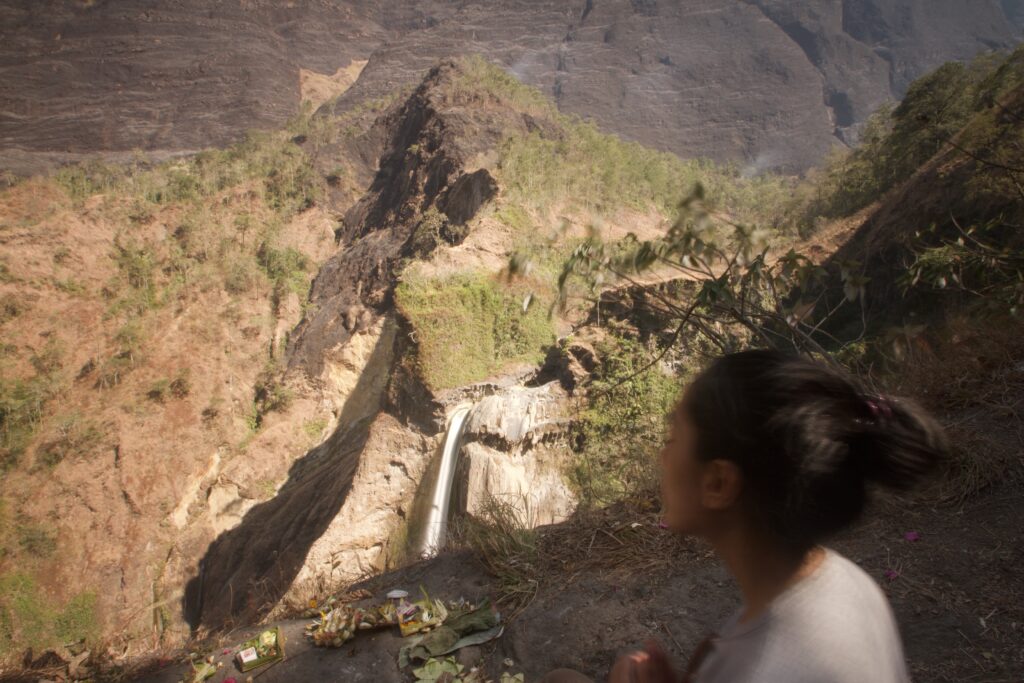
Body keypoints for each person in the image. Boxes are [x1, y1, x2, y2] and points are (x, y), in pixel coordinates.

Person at [541, 349, 948, 683]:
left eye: (673, 438)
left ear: (718, 483)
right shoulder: (845, 579)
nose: (663, 457)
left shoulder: (767, 668)